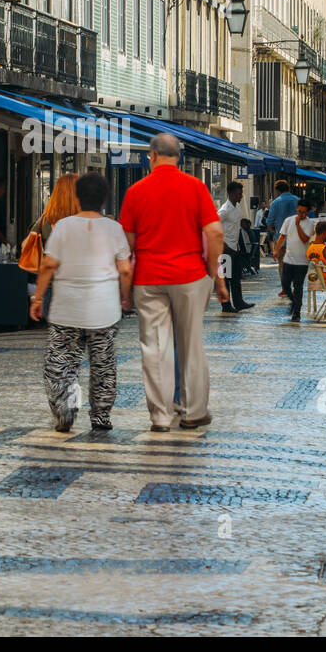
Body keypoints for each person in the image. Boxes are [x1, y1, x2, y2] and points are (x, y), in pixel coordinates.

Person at [119, 134, 226, 431]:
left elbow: (126, 243)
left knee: (154, 348)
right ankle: (193, 412)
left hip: (149, 278)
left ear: (151, 156)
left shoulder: (135, 192)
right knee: (190, 345)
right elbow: (215, 233)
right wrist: (211, 270)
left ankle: (160, 417)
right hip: (190, 275)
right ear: (178, 156)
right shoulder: (196, 187)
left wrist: (124, 290)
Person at [29, 172, 132, 432]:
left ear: (78, 196)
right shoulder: (113, 228)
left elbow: (49, 264)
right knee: (103, 365)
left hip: (67, 309)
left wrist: (38, 297)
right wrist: (125, 295)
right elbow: (126, 269)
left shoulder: (63, 226)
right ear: (104, 198)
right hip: (104, 310)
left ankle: (66, 410)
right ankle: (100, 416)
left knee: (62, 364)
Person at [217, 180, 254, 314]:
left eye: (241, 193)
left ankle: (239, 302)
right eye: (239, 194)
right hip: (225, 249)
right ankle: (226, 306)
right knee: (225, 279)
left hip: (235, 247)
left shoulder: (237, 207)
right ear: (231, 194)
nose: (241, 196)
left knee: (236, 277)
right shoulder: (224, 210)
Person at [273, 198, 312, 322]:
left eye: (304, 212)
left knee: (298, 287)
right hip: (288, 260)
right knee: (285, 284)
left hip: (302, 262)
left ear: (308, 212)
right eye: (300, 211)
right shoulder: (288, 220)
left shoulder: (310, 223)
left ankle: (297, 312)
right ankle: (294, 302)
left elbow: (305, 239)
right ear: (297, 209)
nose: (302, 214)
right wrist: (276, 249)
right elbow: (282, 236)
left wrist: (297, 225)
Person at [266, 180, 295, 262]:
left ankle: (283, 275)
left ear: (278, 191)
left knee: (282, 263)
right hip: (297, 240)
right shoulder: (297, 200)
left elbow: (269, 222)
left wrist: (274, 232)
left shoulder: (275, 203)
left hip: (281, 240)